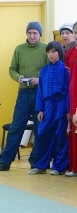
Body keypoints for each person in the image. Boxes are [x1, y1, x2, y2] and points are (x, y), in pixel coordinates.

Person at [0, 22, 49, 171]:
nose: (32, 36)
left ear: (40, 35)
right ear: (26, 34)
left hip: (40, 93)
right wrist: (19, 77)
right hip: (24, 93)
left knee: (40, 129)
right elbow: (12, 69)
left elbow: (48, 70)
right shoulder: (19, 49)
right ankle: (5, 160)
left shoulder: (46, 49)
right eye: (30, 33)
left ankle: (36, 162)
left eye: (35, 33)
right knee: (16, 127)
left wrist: (39, 80)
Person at [28, 41, 70, 175]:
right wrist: (40, 109)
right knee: (42, 134)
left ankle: (58, 166)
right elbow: (40, 91)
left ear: (59, 53)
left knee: (60, 135)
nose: (51, 55)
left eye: (54, 52)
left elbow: (69, 90)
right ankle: (41, 165)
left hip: (61, 104)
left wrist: (68, 110)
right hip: (47, 106)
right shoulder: (44, 71)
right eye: (49, 52)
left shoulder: (65, 69)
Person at [66, 21, 77, 177]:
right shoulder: (70, 53)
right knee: (74, 126)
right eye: (76, 31)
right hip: (73, 94)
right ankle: (74, 167)